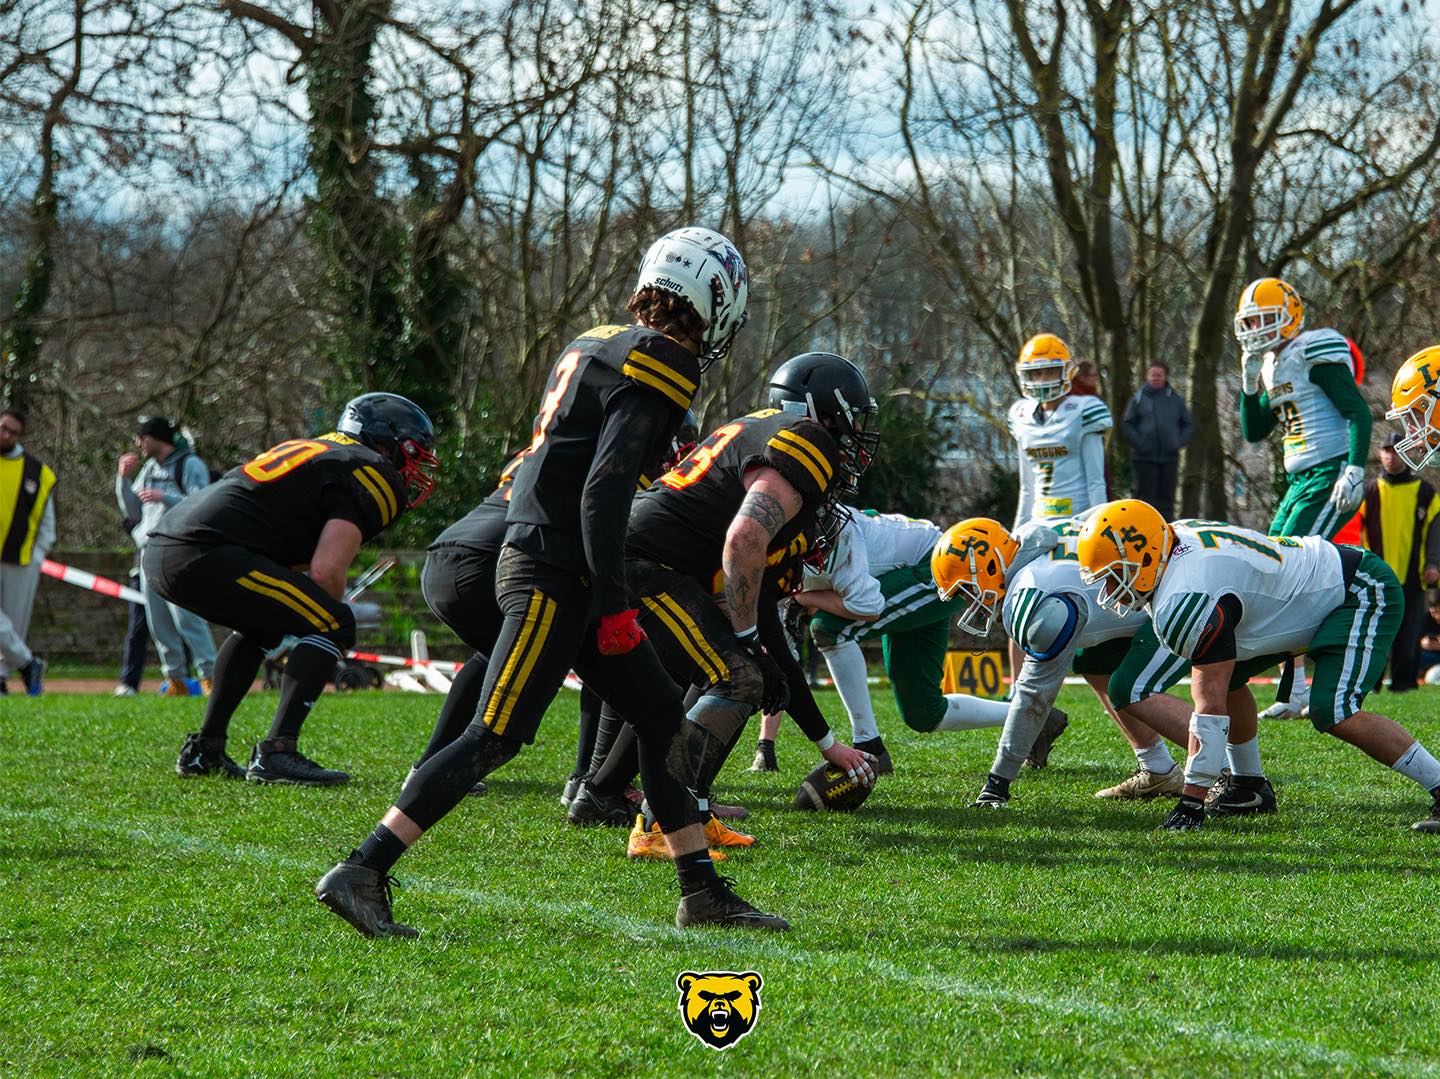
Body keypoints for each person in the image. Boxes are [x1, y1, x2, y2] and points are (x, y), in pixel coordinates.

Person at [316, 227, 790, 937]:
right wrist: (613, 603)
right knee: (497, 732)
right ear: (714, 299)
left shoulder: (598, 339)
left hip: (551, 551)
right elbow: (602, 490)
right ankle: (364, 866)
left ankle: (700, 889)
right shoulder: (666, 358)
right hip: (555, 565)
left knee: (661, 714)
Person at [569, 354, 881, 853]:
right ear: (825, 411)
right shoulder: (807, 441)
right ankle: (665, 816)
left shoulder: (760, 432)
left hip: (629, 557)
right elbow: (744, 538)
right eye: (854, 416)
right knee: (736, 675)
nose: (858, 433)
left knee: (714, 675)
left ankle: (608, 794)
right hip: (640, 563)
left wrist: (824, 742)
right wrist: (747, 643)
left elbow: (770, 635)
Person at [1076, 499, 1440, 834]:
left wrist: (1191, 802)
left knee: (1334, 710)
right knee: (1230, 678)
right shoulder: (1173, 545)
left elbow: (1209, 709)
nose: (1112, 589)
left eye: (1114, 574)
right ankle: (1248, 786)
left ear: (1145, 555)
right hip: (1303, 591)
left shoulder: (1185, 594)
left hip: (1356, 588)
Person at [146, 393, 437, 785]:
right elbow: (326, 570)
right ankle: (277, 752)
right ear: (384, 444)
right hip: (206, 551)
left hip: (166, 547)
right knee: (334, 622)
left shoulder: (319, 449)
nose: (413, 467)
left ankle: (205, 749)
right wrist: (327, 631)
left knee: (261, 627)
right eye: (412, 454)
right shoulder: (369, 469)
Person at [930, 516, 1274, 813]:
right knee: (1092, 661)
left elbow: (1035, 696)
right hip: (1139, 599)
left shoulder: (1031, 598)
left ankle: (1233, 776)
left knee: (1132, 689)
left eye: (966, 591)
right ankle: (1157, 770)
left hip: (1168, 601)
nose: (967, 603)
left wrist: (998, 781)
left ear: (989, 567)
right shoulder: (1031, 535)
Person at [749, 506, 1054, 777]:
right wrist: (767, 743)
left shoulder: (833, 538)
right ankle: (1033, 717)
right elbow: (783, 662)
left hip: (941, 568)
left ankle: (868, 746)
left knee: (830, 629)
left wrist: (801, 595)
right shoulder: (777, 558)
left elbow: (866, 606)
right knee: (923, 712)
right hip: (916, 570)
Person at [1235, 278, 1370, 719]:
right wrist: (1250, 384)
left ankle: (1311, 685)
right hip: (1297, 482)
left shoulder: (1315, 348)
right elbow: (1255, 432)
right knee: (1274, 569)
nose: (1257, 329)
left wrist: (1354, 467)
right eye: (1250, 321)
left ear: (1291, 315)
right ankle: (1293, 692)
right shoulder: (1273, 363)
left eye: (1264, 319)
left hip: (1328, 471)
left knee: (1294, 572)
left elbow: (1356, 410)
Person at [117, 417, 218, 696]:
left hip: (179, 549)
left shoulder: (190, 465)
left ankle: (210, 674)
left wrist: (166, 497)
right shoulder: (149, 468)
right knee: (157, 619)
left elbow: (203, 503)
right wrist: (121, 479)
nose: (138, 444)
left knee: (186, 617)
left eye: (142, 438)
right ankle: (175, 679)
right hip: (149, 550)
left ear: (155, 437)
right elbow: (132, 510)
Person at [1357, 430, 1440, 692]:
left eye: (1397, 449)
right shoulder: (1368, 491)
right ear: (1380, 454)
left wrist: (1434, 564)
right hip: (1374, 579)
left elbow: (1435, 531)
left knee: (1409, 636)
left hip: (1414, 578)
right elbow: (1356, 533)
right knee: (1373, 635)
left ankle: (1404, 685)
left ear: (1407, 452)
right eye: (1387, 450)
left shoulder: (1425, 492)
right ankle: (1371, 684)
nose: (1391, 455)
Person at [0, 408, 54, 696]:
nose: (5, 434)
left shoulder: (38, 473)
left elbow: (48, 522)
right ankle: (29, 662)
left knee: (15, 623)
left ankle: (3, 677)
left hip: (21, 559)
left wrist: (38, 554)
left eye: (12, 431)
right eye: (2, 428)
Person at [1122, 362, 1193, 519]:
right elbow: (1127, 424)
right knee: (1145, 500)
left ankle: (1168, 533)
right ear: (1147, 376)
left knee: (1167, 500)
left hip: (1169, 459)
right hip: (1143, 459)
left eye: (1159, 375)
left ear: (1165, 377)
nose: (1156, 378)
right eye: (1153, 375)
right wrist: (1140, 444)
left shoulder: (1176, 400)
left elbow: (1188, 425)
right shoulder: (1138, 399)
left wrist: (1177, 442)